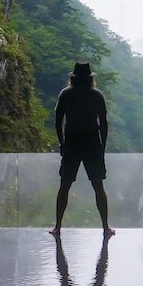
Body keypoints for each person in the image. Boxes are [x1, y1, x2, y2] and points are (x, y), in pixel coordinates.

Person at [48, 62, 116, 237]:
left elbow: (58, 121)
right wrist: (102, 146)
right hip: (92, 140)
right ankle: (105, 227)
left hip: (72, 140)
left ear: (73, 78)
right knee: (98, 185)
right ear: (91, 79)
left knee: (65, 184)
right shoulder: (96, 95)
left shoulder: (66, 94)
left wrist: (62, 143)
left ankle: (57, 227)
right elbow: (103, 123)